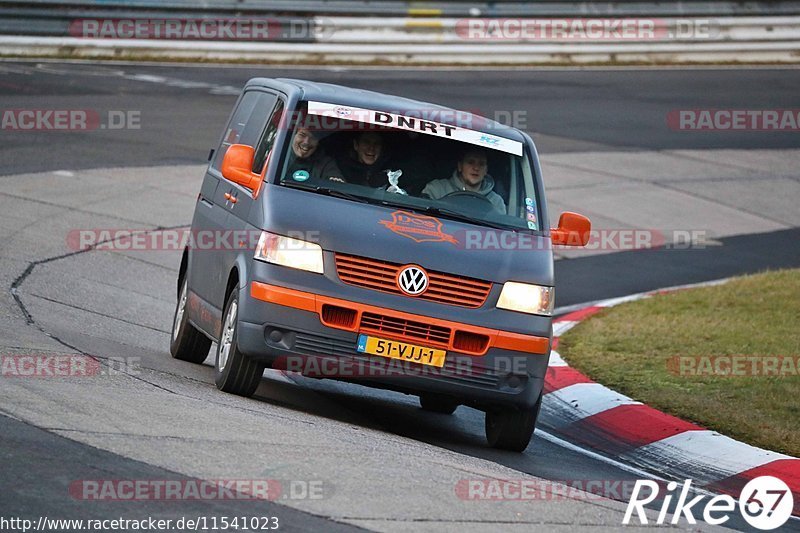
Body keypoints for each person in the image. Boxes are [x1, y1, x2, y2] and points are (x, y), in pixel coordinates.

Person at [421, 148, 506, 213]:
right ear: (460, 166)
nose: (476, 168)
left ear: (486, 170)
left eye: (481, 164)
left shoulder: (496, 202)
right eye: (470, 162)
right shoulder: (436, 189)